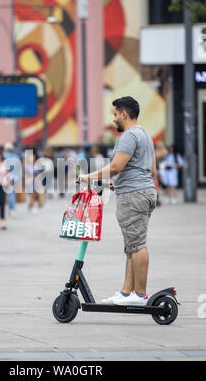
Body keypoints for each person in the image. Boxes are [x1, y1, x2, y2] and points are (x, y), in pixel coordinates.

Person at [79, 96, 157, 306]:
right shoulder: (145, 135)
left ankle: (140, 295)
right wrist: (119, 183)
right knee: (132, 244)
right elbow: (151, 170)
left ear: (124, 113)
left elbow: (115, 167)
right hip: (142, 191)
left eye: (115, 114)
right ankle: (126, 292)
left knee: (137, 244)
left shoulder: (129, 136)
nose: (113, 119)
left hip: (134, 195)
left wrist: (88, 177)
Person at [3, 142, 21, 216]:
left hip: (8, 176)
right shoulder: (17, 156)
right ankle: (11, 208)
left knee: (10, 193)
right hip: (16, 177)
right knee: (11, 192)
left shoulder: (4, 156)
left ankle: (12, 208)